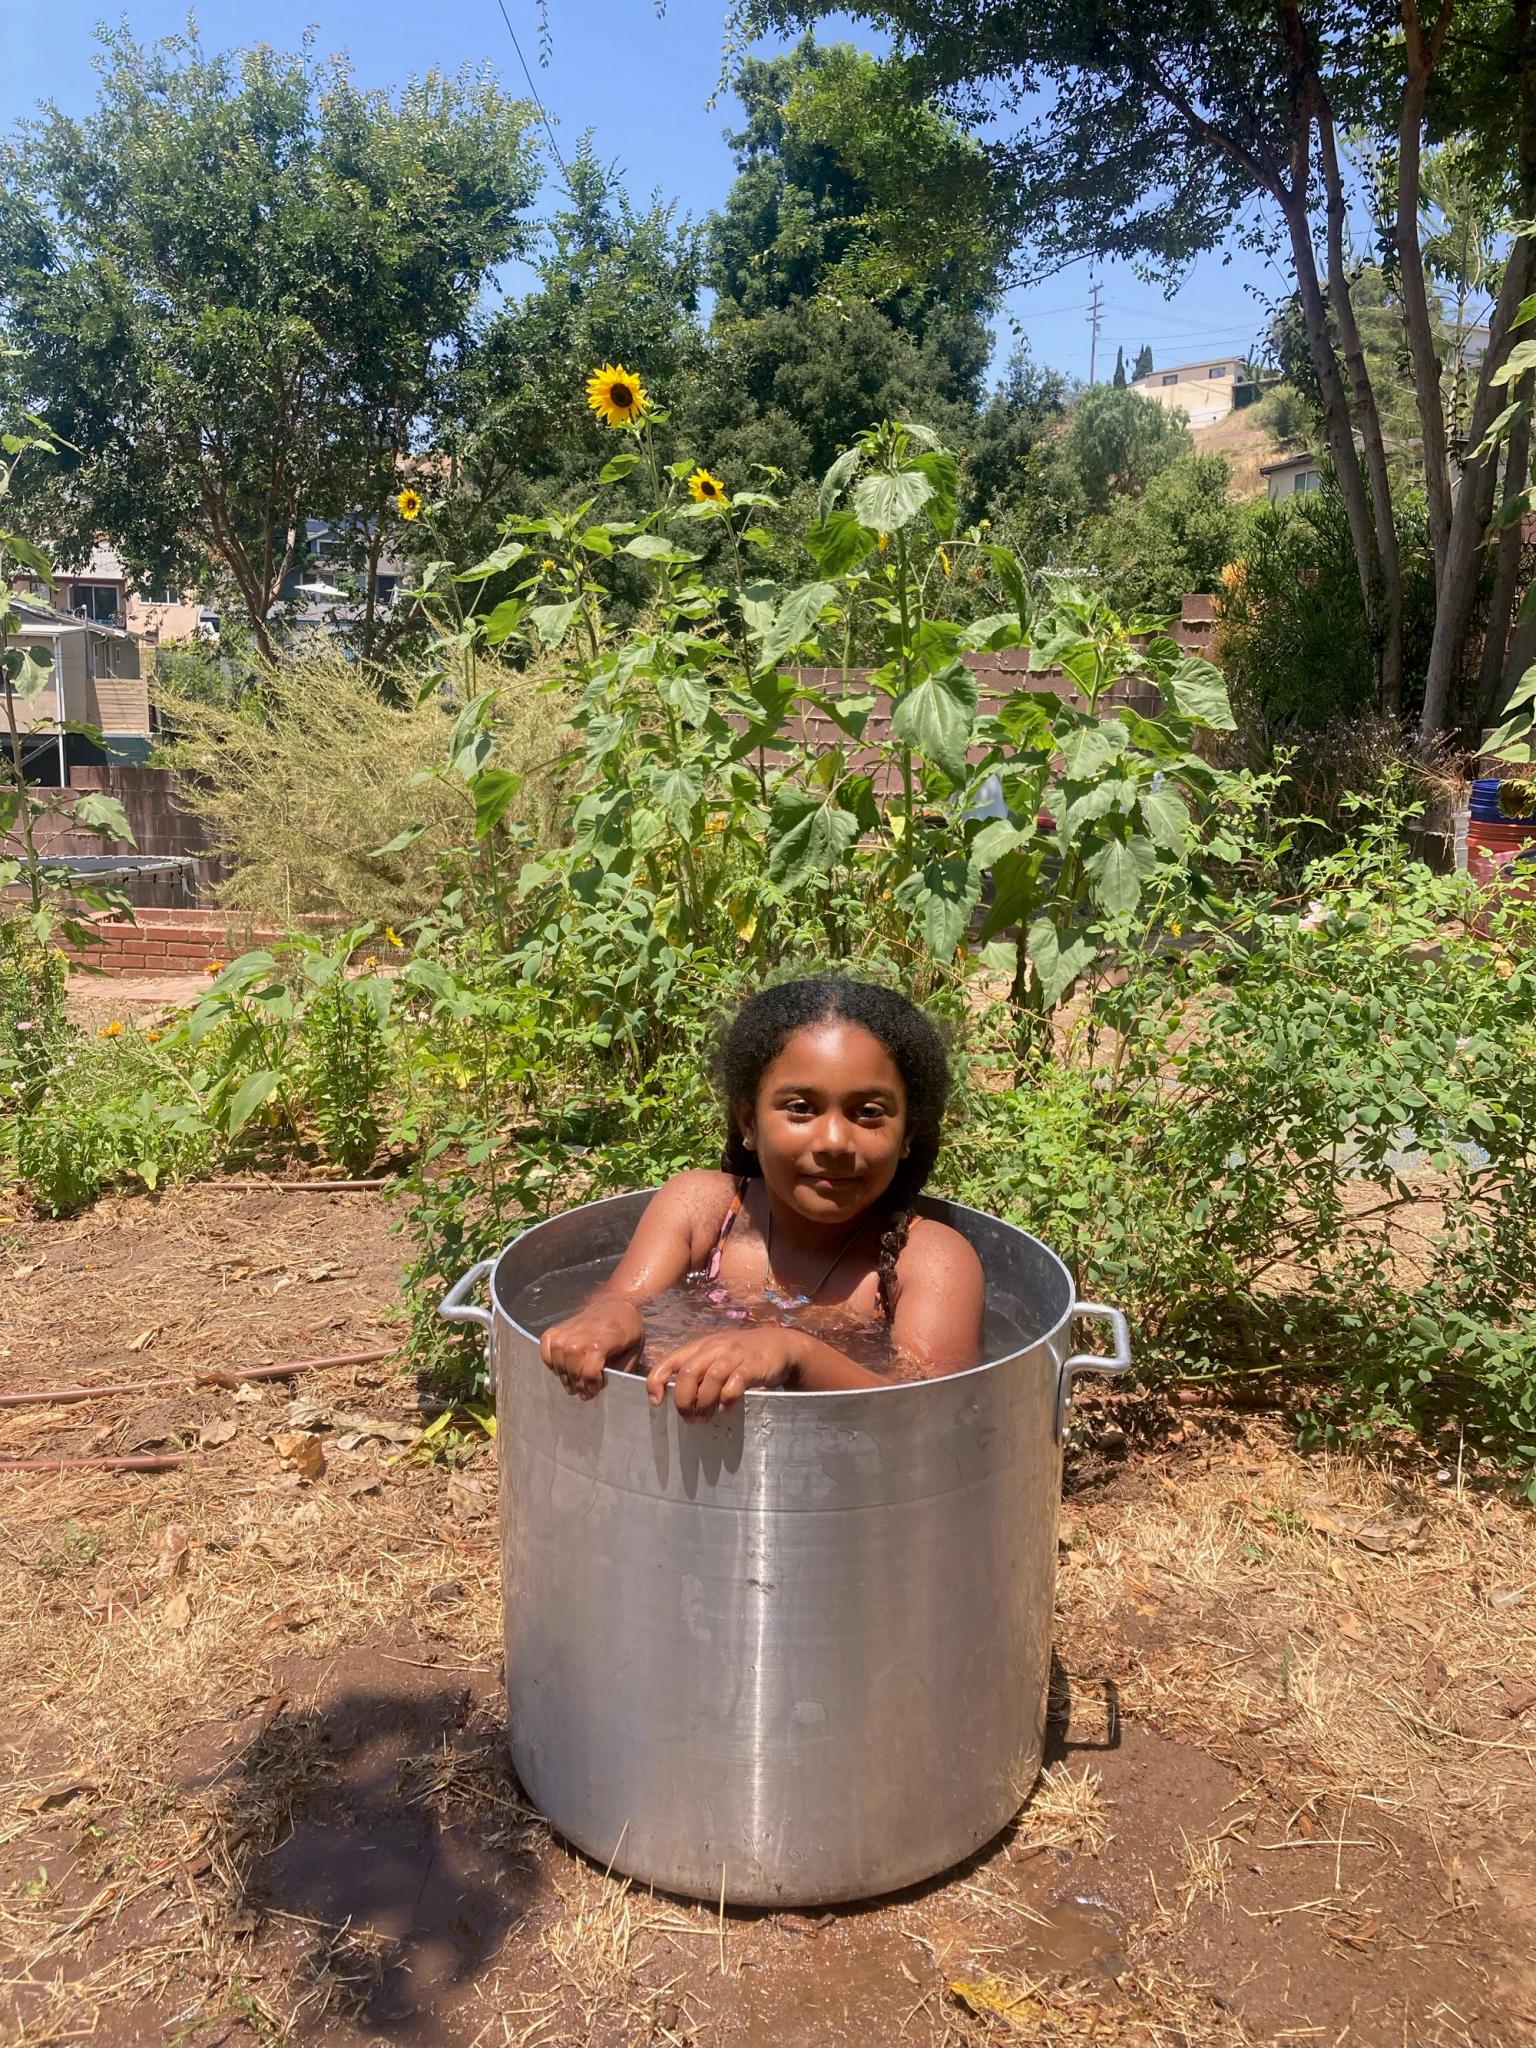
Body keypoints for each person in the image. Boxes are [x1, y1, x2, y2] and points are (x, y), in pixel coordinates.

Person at [539, 978, 985, 1418]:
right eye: (801, 1108)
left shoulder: (929, 1259)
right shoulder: (702, 1211)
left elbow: (933, 1410)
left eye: (868, 1112)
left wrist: (796, 1354)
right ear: (748, 1121)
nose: (833, 1141)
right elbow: (619, 1297)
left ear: (907, 1132)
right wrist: (611, 1315)